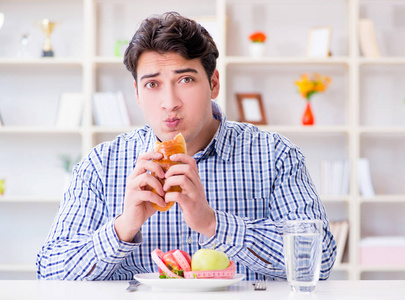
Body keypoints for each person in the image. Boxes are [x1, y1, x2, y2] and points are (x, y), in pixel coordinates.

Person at [36, 12, 336, 281]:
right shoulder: (102, 164)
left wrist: (213, 223)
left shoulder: (273, 154)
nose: (170, 103)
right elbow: (49, 271)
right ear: (137, 94)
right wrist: (123, 227)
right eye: (152, 84)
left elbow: (319, 258)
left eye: (186, 80)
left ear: (214, 83)